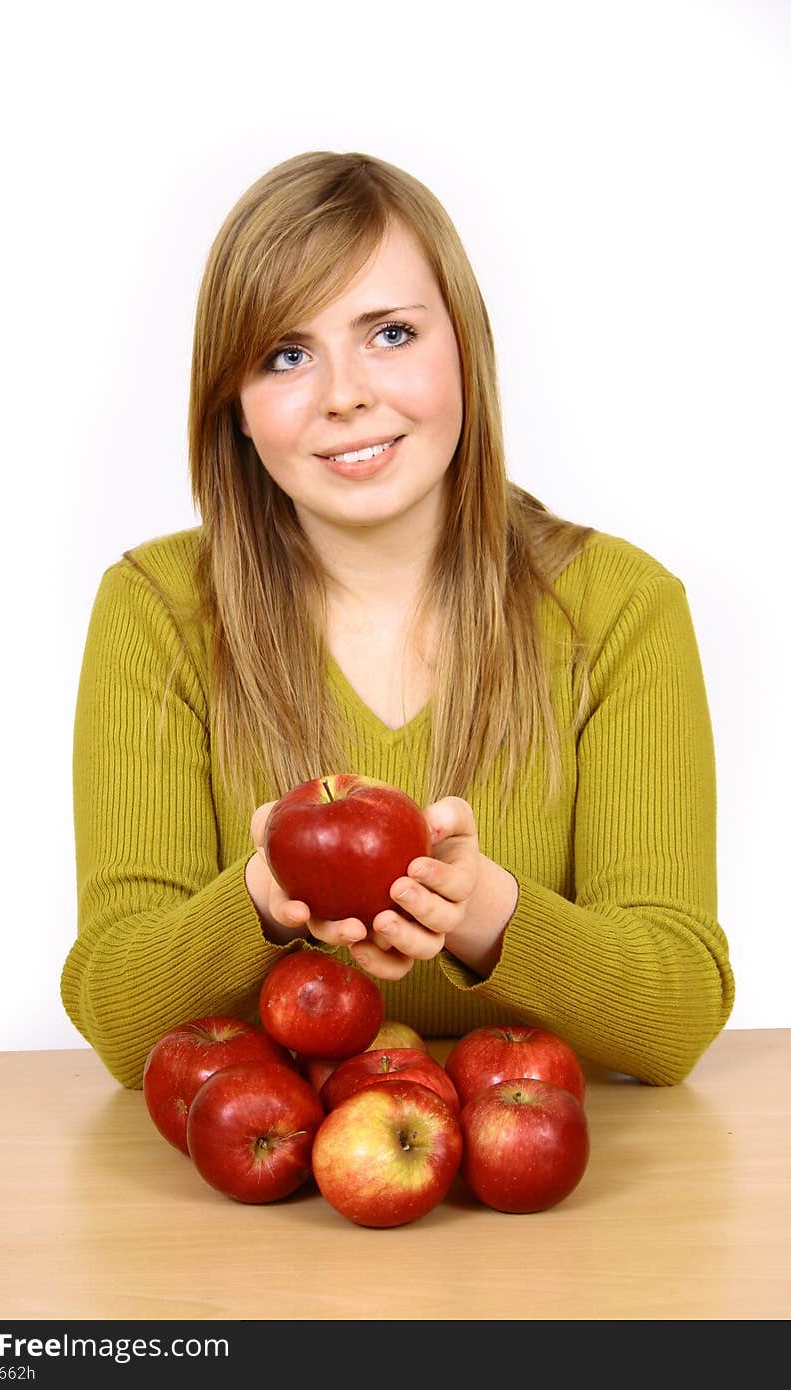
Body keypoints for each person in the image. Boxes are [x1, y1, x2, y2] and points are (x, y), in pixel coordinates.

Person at [60, 150, 734, 1091]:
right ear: (238, 408)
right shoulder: (156, 612)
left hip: (548, 1206)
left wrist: (488, 910)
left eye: (389, 333)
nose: (344, 394)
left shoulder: (621, 608)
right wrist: (263, 898)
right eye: (285, 355)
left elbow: (679, 1014)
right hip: (263, 1208)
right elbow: (120, 1020)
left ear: (465, 345)